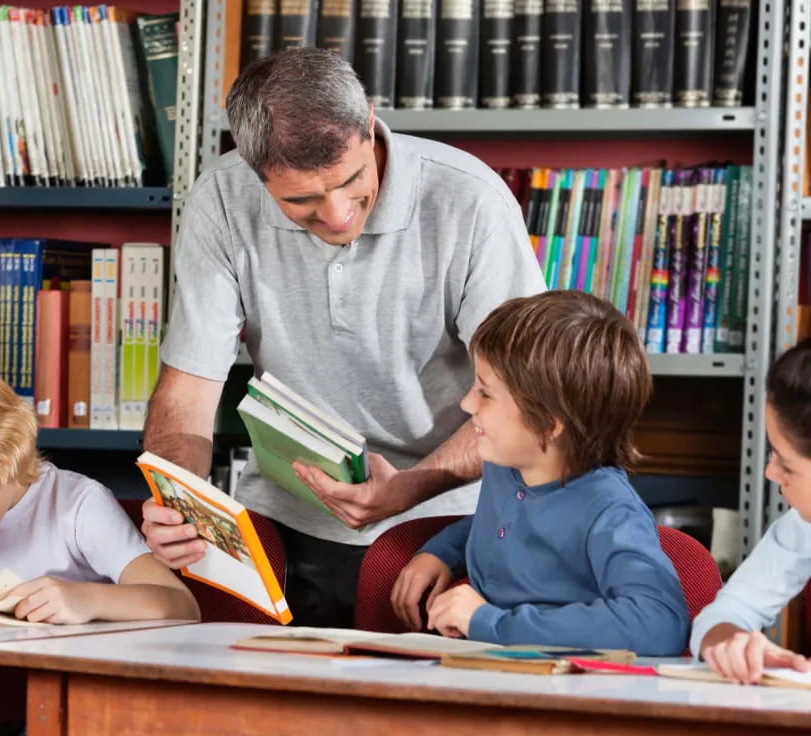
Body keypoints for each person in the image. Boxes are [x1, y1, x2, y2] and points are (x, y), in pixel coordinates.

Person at [140, 47, 546, 626]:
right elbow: (186, 395)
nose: (335, 215)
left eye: (353, 180)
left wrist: (409, 486)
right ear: (255, 174)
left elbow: (525, 399)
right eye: (300, 200)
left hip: (449, 523)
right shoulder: (222, 200)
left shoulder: (471, 202)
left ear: (370, 120)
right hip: (284, 521)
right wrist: (177, 497)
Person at [390, 291, 689, 654]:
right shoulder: (508, 467)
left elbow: (659, 622)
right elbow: (504, 523)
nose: (467, 403)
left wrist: (487, 621)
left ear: (547, 425)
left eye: (486, 393)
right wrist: (441, 552)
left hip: (566, 692)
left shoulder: (609, 511)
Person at [0, 352, 199, 625]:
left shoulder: (77, 507)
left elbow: (181, 606)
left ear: (9, 453)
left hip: (73, 687)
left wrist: (89, 599)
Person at [691, 338, 811, 683]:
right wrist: (733, 644)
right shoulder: (802, 526)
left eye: (786, 464)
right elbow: (727, 612)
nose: (770, 473)